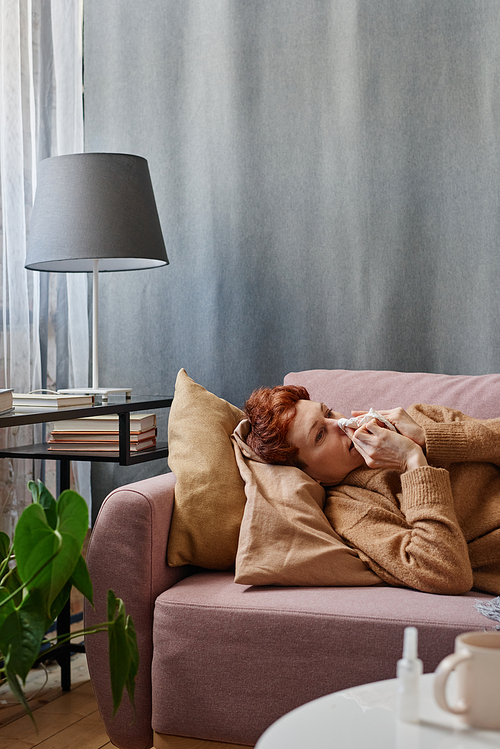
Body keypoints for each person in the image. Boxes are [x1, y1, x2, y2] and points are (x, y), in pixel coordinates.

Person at [244, 385, 500, 596]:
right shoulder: (351, 510)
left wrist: (428, 438)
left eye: (329, 412)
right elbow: (446, 573)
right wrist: (412, 462)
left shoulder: (421, 419)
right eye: (320, 435)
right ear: (310, 474)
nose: (341, 423)